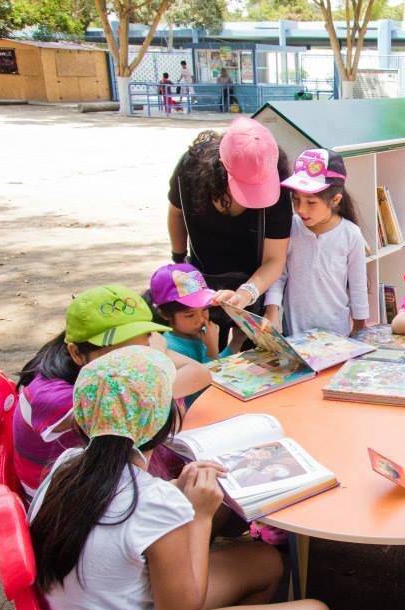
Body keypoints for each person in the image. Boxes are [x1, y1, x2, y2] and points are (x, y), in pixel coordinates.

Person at [28, 346, 334, 610]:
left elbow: (122, 512)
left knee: (266, 561)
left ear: (83, 419)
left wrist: (179, 489)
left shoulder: (67, 466)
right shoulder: (155, 503)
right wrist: (200, 517)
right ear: (163, 424)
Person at [12, 285, 211, 499]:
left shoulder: (110, 371)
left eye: (140, 351)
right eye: (120, 354)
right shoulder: (53, 396)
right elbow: (146, 394)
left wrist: (152, 359)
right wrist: (156, 356)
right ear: (76, 353)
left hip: (103, 480)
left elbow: (200, 374)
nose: (132, 365)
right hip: (72, 505)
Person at [166, 118, 291, 347]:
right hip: (201, 279)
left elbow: (275, 258)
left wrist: (246, 293)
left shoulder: (280, 184)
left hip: (254, 285)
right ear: (222, 168)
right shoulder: (191, 169)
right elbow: (176, 213)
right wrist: (178, 260)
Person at [263, 148, 369, 337]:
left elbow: (358, 286)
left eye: (311, 203)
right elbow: (278, 275)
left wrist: (360, 328)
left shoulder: (350, 234)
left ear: (335, 200)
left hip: (337, 335)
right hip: (295, 333)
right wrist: (271, 311)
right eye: (296, 199)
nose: (301, 209)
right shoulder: (290, 227)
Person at [146, 264, 243, 405]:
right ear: (165, 314)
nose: (201, 319)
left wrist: (236, 341)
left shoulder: (195, 335)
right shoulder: (171, 348)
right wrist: (211, 350)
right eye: (190, 315)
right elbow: (204, 385)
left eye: (204, 309)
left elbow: (216, 364)